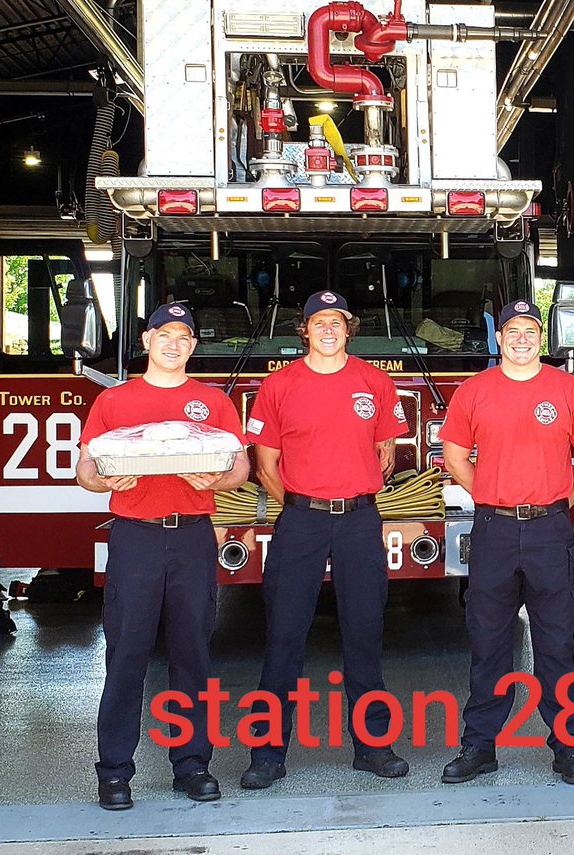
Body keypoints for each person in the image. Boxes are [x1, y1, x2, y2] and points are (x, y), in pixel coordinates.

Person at [76, 302, 249, 810]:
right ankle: (114, 772)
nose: (173, 344)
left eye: (184, 337)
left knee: (193, 654)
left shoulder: (212, 402)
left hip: (194, 536)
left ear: (193, 347)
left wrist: (217, 478)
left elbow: (238, 467)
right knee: (126, 655)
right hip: (136, 538)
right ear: (146, 341)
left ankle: (193, 766)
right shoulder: (115, 401)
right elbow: (86, 469)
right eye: (163, 335)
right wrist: (104, 479)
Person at [239, 289, 410, 789]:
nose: (329, 329)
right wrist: (301, 501)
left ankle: (373, 747)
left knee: (365, 632)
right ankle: (267, 754)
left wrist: (346, 492)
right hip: (301, 523)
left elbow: (385, 450)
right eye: (320, 322)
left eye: (338, 321)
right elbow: (264, 464)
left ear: (348, 329)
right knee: (284, 636)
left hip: (359, 520)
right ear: (304, 329)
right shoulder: (279, 384)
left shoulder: (374, 382)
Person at [439, 299, 574, 785]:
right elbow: (453, 454)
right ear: (499, 338)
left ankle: (569, 744)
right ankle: (479, 745)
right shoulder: (475, 390)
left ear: (541, 338)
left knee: (557, 640)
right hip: (493, 529)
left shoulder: (568, 388)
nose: (521, 338)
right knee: (488, 640)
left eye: (530, 330)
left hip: (550, 531)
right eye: (512, 330)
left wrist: (556, 502)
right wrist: (490, 494)